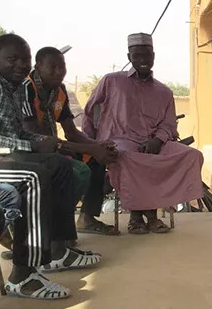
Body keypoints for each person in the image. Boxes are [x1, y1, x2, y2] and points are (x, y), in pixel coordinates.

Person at [0, 33, 100, 299]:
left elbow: (20, 134)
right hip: (2, 157)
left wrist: (42, 140)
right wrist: (32, 145)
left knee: (59, 165)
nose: (21, 64)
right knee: (35, 176)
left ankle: (57, 250)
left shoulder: (14, 89)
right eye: (12, 59)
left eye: (25, 59)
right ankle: (23, 272)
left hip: (7, 155)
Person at [82, 33, 204, 235]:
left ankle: (146, 213)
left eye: (147, 55)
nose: (143, 60)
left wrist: (157, 140)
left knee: (192, 155)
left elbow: (168, 124)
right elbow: (90, 110)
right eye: (137, 55)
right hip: (120, 139)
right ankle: (145, 216)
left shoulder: (164, 92)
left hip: (156, 142)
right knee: (128, 156)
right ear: (129, 57)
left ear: (153, 56)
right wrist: (91, 145)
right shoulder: (112, 81)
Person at [20, 47, 119, 235]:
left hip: (52, 147)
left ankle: (86, 219)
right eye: (53, 66)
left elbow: (71, 132)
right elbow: (37, 138)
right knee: (75, 171)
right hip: (28, 149)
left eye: (62, 66)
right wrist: (92, 148)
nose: (59, 71)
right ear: (38, 65)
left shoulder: (60, 91)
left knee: (96, 160)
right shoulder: (26, 88)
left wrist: (97, 146)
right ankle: (53, 227)